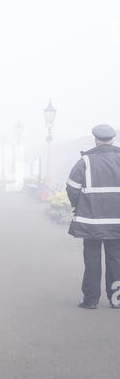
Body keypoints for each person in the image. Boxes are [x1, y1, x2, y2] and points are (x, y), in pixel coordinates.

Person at [66, 124, 120, 309]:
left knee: (92, 259)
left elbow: (72, 187)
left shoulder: (86, 161)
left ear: (95, 140)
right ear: (113, 139)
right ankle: (116, 299)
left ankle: (90, 300)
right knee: (116, 259)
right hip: (117, 222)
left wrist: (79, 205)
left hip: (91, 221)